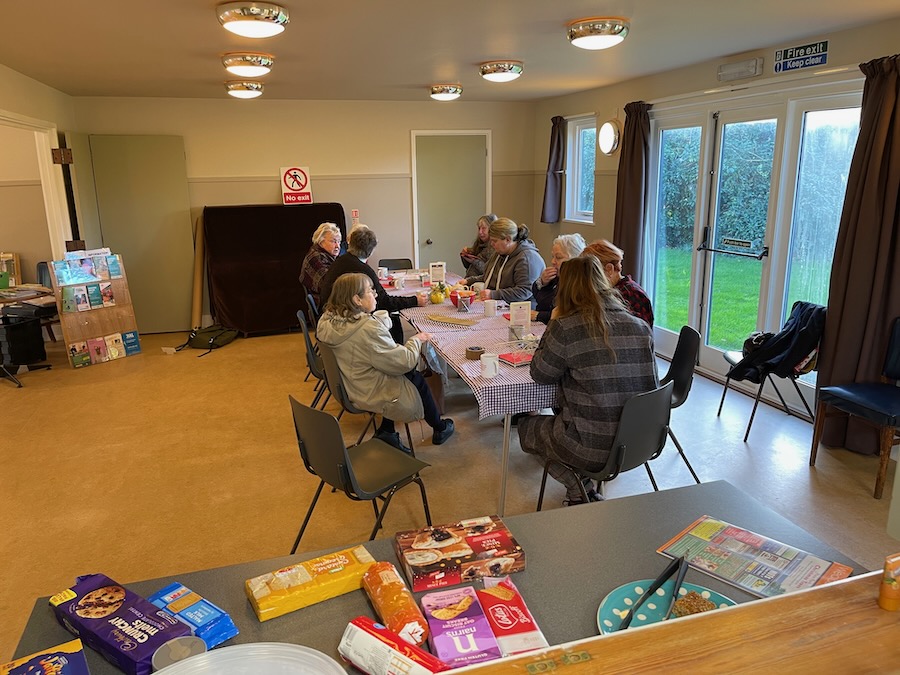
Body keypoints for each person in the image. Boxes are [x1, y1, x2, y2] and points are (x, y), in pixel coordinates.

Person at [517, 256, 658, 505]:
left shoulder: (567, 327)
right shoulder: (640, 327)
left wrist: (553, 322)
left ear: (566, 288)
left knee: (527, 429)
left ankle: (579, 488)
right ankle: (585, 489)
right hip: (640, 440)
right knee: (571, 416)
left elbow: (540, 373)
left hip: (592, 446)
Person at [316, 273, 454, 451]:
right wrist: (417, 340)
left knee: (394, 369)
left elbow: (365, 345)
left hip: (347, 383)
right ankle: (439, 427)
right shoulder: (367, 329)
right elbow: (405, 362)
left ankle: (387, 430)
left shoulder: (326, 320)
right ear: (356, 299)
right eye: (370, 291)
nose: (375, 294)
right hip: (367, 390)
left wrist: (376, 324)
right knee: (412, 375)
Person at [320, 225, 426, 343]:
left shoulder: (342, 260)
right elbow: (385, 302)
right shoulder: (363, 269)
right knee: (393, 318)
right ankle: (395, 349)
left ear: (351, 244)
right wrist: (415, 300)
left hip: (330, 316)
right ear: (370, 251)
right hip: (344, 321)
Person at [465, 217, 545, 304]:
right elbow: (489, 276)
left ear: (507, 239)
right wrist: (468, 281)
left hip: (521, 310)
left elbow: (524, 291)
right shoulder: (500, 253)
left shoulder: (526, 259)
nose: (492, 244)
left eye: (494, 241)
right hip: (500, 305)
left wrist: (494, 294)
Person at [583, 239, 654, 327]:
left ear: (609, 269)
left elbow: (640, 335)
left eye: (591, 272)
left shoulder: (632, 295)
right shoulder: (606, 290)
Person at [531, 233, 586, 324]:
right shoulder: (556, 276)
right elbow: (539, 298)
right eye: (553, 256)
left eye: (558, 257)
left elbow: (565, 314)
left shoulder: (579, 283)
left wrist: (539, 315)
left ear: (575, 259)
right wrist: (543, 282)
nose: (553, 262)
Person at [299, 222, 342, 308]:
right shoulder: (316, 258)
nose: (337, 246)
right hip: (326, 307)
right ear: (320, 242)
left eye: (339, 242)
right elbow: (329, 286)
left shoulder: (328, 256)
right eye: (333, 241)